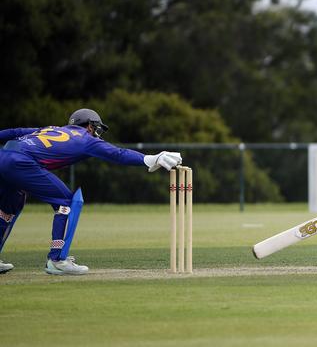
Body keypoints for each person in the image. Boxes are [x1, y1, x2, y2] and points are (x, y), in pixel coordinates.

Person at [0, 108, 182, 275]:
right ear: (88, 125)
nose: (96, 133)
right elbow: (118, 154)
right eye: (95, 128)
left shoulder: (51, 128)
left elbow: (15, 132)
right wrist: (150, 159)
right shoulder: (86, 139)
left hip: (4, 155)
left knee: (8, 209)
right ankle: (57, 259)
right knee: (66, 204)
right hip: (21, 162)